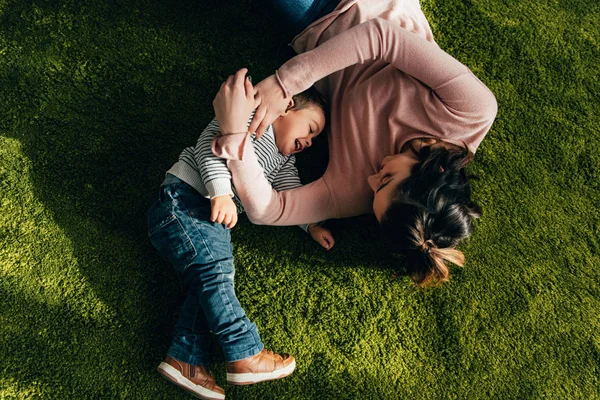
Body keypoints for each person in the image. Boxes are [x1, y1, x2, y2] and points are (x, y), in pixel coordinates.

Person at [211, 0, 498, 287]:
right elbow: (384, 37)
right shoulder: (471, 113)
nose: (371, 179)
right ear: (431, 171)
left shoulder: (358, 191)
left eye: (374, 193)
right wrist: (285, 83)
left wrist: (235, 134)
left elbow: (268, 210)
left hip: (314, 19)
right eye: (386, 179)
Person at [147, 76, 330, 400]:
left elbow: (289, 195)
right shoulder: (247, 117)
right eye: (312, 127)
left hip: (205, 218)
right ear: (287, 106)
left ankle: (185, 359)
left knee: (210, 281)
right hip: (186, 200)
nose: (311, 141)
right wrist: (219, 193)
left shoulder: (284, 161)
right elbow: (210, 146)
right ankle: (245, 351)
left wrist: (312, 224)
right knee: (216, 274)